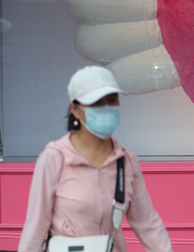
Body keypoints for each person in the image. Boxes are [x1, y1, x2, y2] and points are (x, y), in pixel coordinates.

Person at [18, 65, 173, 252]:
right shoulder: (54, 159)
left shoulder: (126, 160)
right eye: (97, 103)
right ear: (75, 109)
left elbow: (147, 223)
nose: (107, 108)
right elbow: (35, 227)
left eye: (112, 100)